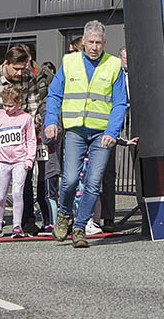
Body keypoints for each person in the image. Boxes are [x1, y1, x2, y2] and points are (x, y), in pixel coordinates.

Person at [44, 20, 127, 248]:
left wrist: (112, 132)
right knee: (70, 179)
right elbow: (54, 94)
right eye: (90, 42)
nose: (94, 47)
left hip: (102, 133)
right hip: (75, 130)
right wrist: (51, 121)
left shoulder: (114, 65)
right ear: (83, 41)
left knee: (93, 182)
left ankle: (80, 228)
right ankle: (64, 214)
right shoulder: (69, 62)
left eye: (98, 42)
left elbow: (120, 102)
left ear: (104, 43)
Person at [0, 44, 42, 232]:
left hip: (22, 142)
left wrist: (29, 131)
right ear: (6, 63)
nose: (20, 73)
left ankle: (26, 220)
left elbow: (34, 107)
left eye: (23, 68)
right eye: (17, 69)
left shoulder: (29, 78)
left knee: (24, 183)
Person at [0, 85, 37, 239]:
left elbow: (31, 140)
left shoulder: (26, 118)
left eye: (10, 105)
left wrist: (29, 159)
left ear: (19, 102)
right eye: (5, 105)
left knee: (17, 193)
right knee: (0, 195)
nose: (7, 109)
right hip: (2, 161)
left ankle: (17, 225)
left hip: (20, 161)